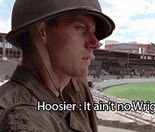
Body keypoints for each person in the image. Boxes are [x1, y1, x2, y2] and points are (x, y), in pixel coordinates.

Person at [0, 0, 115, 131]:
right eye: (80, 28)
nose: (95, 43)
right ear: (42, 31)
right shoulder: (23, 118)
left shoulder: (70, 91)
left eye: (93, 32)